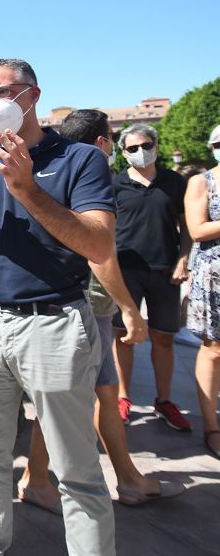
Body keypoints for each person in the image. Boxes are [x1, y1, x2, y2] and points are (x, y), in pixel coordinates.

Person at [0, 59, 116, 556]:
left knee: (76, 470)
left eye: (0, 92)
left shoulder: (81, 159)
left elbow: (99, 245)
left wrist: (27, 188)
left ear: (31, 96)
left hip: (54, 327)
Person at [16, 109, 183, 514]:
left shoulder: (62, 171)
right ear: (104, 144)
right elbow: (99, 254)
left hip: (88, 307)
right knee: (84, 397)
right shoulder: (91, 173)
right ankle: (54, 479)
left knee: (89, 396)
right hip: (88, 308)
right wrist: (131, 309)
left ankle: (115, 477)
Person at [112, 123, 193, 431]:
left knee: (163, 337)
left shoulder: (175, 182)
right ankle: (123, 397)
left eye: (145, 145)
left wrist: (183, 258)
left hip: (165, 270)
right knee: (124, 336)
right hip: (126, 270)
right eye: (132, 148)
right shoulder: (116, 184)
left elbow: (186, 225)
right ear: (123, 152)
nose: (140, 152)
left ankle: (164, 400)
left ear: (156, 146)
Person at [184, 123, 220, 458]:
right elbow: (197, 229)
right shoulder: (203, 181)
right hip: (215, 274)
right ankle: (212, 427)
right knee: (214, 350)